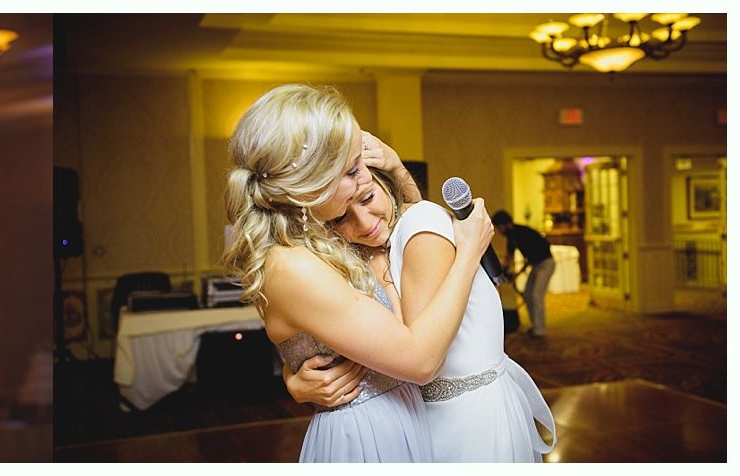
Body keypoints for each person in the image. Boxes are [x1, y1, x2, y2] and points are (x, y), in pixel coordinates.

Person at [222, 83, 495, 462]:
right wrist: (469, 251)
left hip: (399, 420)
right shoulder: (294, 265)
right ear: (310, 187)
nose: (365, 176)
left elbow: (401, 248)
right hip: (368, 438)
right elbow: (419, 361)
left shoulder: (319, 239)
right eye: (352, 170)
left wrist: (398, 170)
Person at [285, 169, 556, 462]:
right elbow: (319, 332)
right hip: (404, 423)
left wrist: (468, 253)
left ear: (383, 182)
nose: (364, 223)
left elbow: (416, 357)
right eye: (341, 218)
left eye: (368, 197)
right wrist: (293, 379)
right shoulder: (347, 257)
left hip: (464, 422)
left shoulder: (420, 226)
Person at [492, 209, 555, 338]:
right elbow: (512, 257)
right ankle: (535, 326)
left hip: (546, 263)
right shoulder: (513, 234)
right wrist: (510, 272)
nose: (499, 231)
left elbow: (513, 257)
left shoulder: (517, 233)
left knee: (536, 296)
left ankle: (539, 331)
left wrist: (511, 271)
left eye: (498, 227)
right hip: (537, 265)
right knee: (527, 295)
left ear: (502, 225)